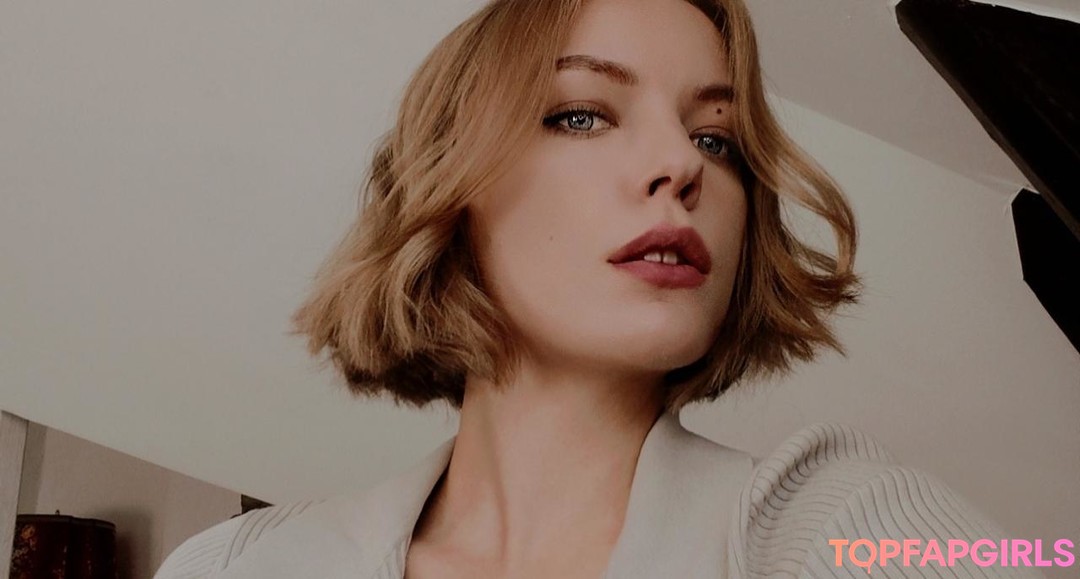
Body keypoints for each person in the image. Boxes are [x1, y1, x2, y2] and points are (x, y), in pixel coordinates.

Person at [155, 0, 1050, 577]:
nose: (679, 165)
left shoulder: (834, 528)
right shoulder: (235, 567)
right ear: (451, 188)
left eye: (716, 140)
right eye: (582, 115)